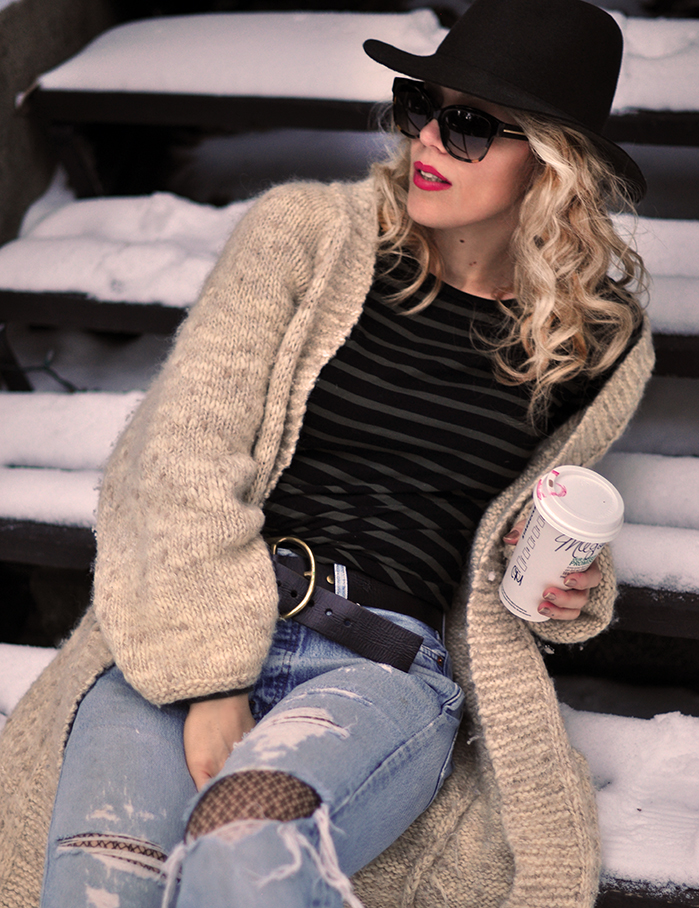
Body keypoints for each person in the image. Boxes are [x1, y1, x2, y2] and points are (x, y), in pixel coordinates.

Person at [0, 0, 655, 906]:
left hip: (381, 671)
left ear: (551, 163)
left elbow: (527, 523)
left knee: (243, 849)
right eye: (423, 103)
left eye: (468, 125)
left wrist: (574, 588)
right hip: (199, 625)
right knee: (96, 888)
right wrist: (216, 677)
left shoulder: (592, 341)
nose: (428, 137)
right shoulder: (305, 237)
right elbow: (181, 458)